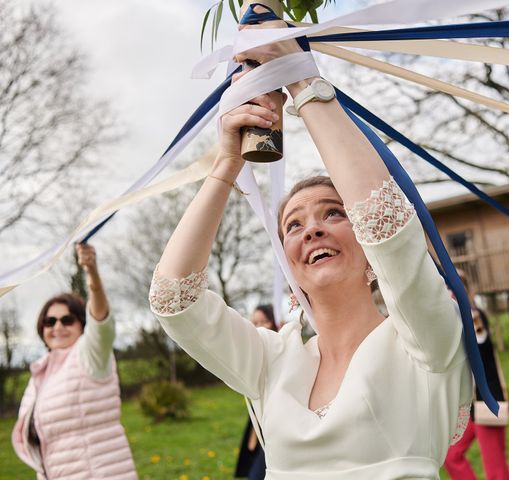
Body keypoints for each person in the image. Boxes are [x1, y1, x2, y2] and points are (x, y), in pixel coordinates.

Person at [149, 10, 472, 478]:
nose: (312, 230)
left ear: (367, 246)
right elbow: (172, 300)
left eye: (333, 213)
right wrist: (226, 165)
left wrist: (300, 81)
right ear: (288, 262)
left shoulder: (425, 337)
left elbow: (386, 224)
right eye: (293, 226)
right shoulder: (271, 360)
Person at [12, 243, 137, 480]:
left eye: (67, 320)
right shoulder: (40, 372)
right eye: (50, 322)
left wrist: (92, 275)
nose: (58, 326)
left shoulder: (90, 355)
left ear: (82, 323)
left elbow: (101, 322)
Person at [444, 272, 509, 480]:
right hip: (469, 404)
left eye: (450, 287)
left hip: (488, 401)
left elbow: (478, 346)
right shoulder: (454, 318)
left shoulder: (473, 316)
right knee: (451, 455)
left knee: (495, 468)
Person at [235, 305, 277, 480]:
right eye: (255, 322)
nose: (259, 326)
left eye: (264, 321)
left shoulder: (286, 347)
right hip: (260, 416)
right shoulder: (252, 349)